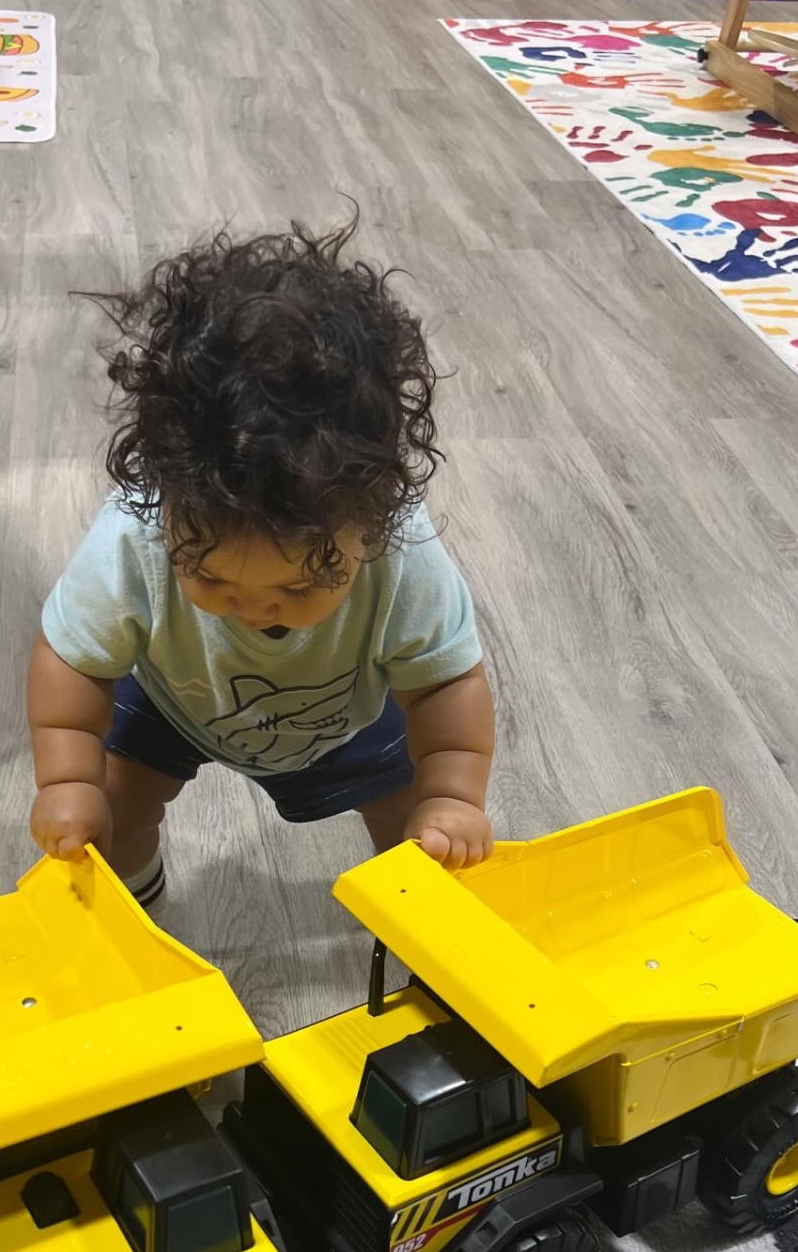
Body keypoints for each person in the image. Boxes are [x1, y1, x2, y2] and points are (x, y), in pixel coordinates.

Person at [27, 217, 494, 914]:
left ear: (375, 517)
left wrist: (453, 798)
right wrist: (66, 783)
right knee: (115, 804)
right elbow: (73, 660)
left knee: (415, 825)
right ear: (164, 499)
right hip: (173, 692)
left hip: (345, 708)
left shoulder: (403, 558)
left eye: (300, 585)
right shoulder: (134, 535)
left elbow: (446, 687)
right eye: (209, 577)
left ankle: (421, 919)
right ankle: (131, 910)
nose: (253, 606)